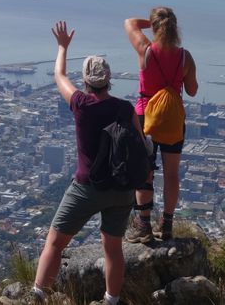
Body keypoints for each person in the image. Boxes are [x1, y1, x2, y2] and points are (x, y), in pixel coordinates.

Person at [28, 21, 141, 305]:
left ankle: (38, 294)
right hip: (121, 188)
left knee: (54, 243)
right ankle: (111, 299)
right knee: (113, 248)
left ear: (87, 80)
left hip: (87, 187)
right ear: (109, 78)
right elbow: (140, 144)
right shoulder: (125, 108)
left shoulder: (81, 104)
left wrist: (62, 47)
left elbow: (58, 74)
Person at [124, 7, 198, 243]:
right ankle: (166, 223)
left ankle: (143, 224)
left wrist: (156, 24)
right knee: (171, 173)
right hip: (173, 119)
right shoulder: (185, 56)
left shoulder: (146, 50)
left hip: (145, 117)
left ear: (156, 28)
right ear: (175, 28)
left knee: (144, 170)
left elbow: (130, 23)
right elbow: (193, 90)